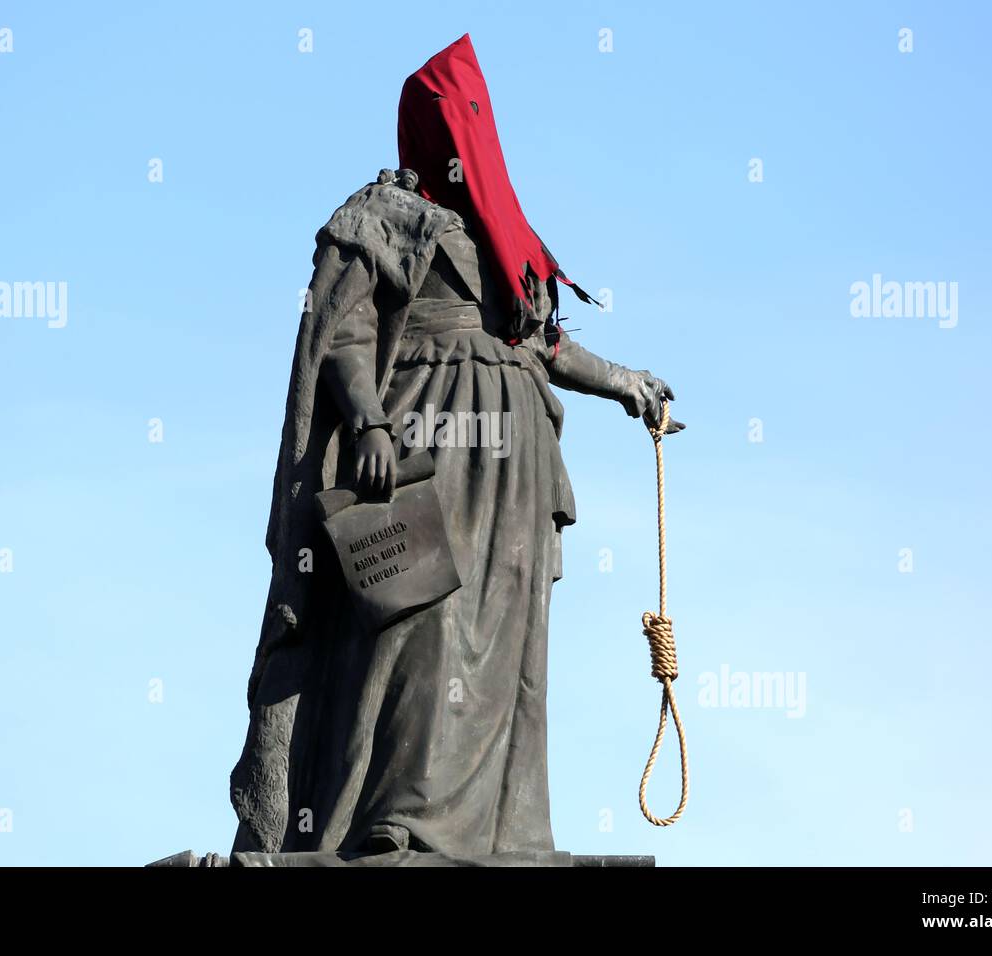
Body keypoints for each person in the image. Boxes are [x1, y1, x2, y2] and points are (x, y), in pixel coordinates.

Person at [230, 34, 681, 858]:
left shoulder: (508, 243)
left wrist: (627, 382)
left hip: (513, 466)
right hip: (426, 445)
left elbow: (544, 345)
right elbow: (344, 330)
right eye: (449, 116)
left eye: (473, 116)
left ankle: (505, 830)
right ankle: (396, 819)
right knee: (420, 624)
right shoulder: (387, 214)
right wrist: (366, 419)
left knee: (508, 643)